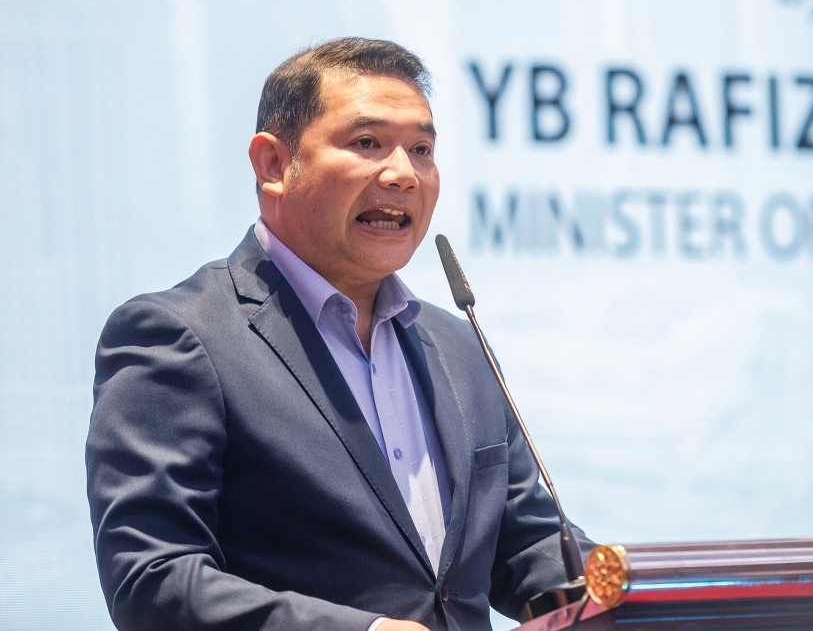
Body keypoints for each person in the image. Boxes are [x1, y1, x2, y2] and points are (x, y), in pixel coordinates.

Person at [85, 37, 591, 631]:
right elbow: (152, 581)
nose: (403, 173)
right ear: (274, 164)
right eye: (367, 143)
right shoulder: (179, 336)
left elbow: (528, 549)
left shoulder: (456, 344)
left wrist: (635, 598)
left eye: (422, 149)